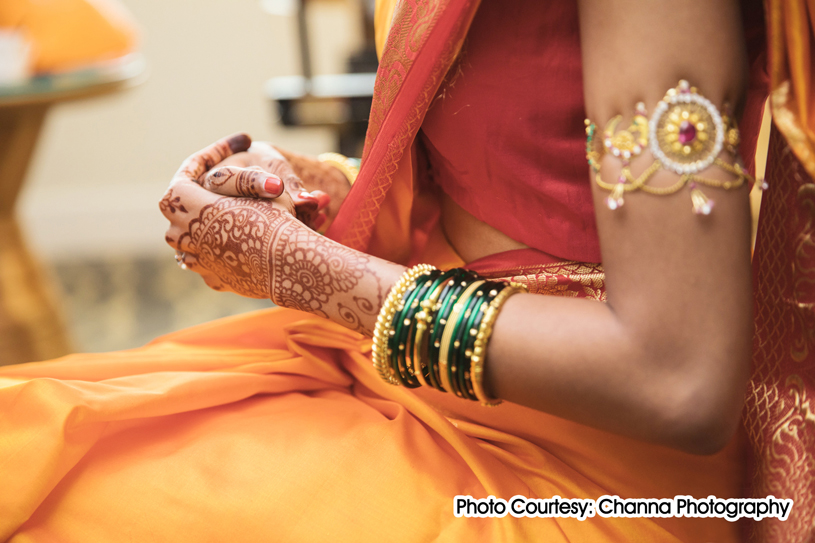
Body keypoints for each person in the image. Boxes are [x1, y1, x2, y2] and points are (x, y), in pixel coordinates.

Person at [1, 0, 813, 541]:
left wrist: (305, 269)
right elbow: (526, 179)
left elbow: (678, 378)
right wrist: (325, 185)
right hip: (426, 400)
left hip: (569, 478)